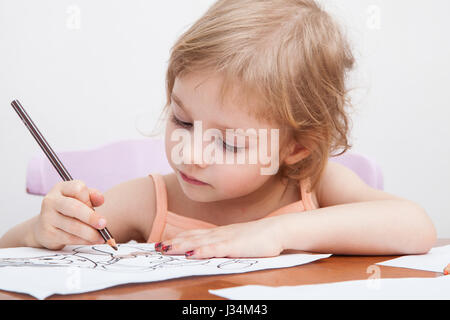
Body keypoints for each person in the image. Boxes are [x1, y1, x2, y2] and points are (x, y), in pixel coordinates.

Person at [0, 0, 436, 258]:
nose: (192, 152)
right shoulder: (151, 202)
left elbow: (416, 227)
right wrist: (41, 232)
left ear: (297, 147)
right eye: (182, 121)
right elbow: (9, 251)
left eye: (228, 142)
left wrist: (277, 233)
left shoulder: (313, 187)